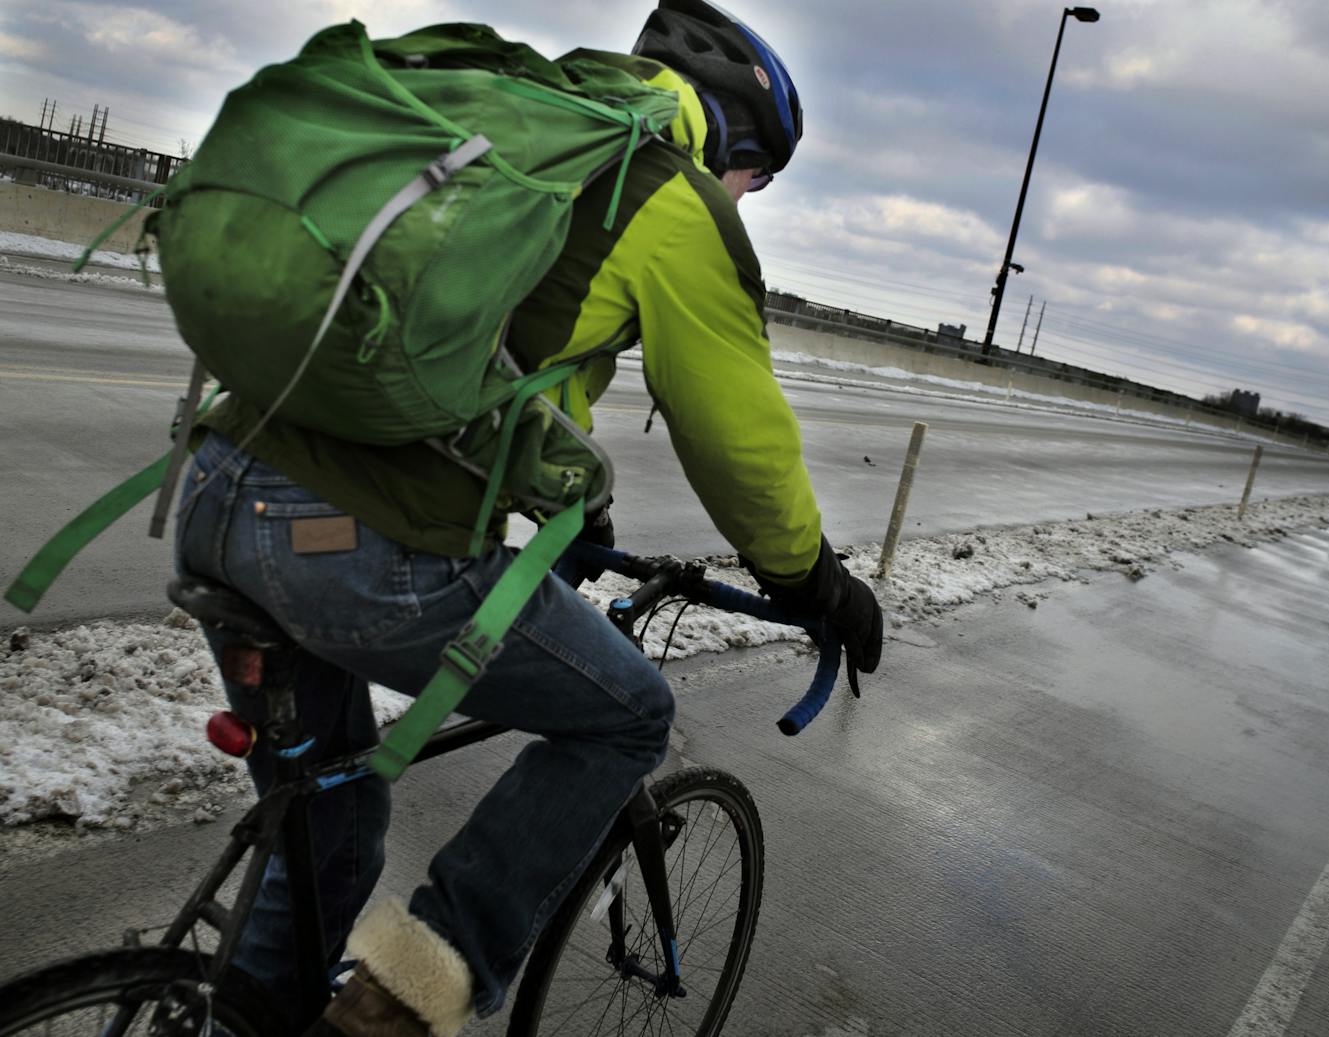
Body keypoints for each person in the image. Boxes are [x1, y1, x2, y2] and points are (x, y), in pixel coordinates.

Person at [175, 2, 883, 1034]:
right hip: (347, 548)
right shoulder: (668, 198)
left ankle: (231, 1018)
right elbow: (739, 440)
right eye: (758, 175)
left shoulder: (501, 130)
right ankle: (406, 997)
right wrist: (811, 580)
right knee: (626, 712)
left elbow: (504, 354)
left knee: (326, 826)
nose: (748, 196)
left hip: (217, 489)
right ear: (733, 137)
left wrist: (576, 498)